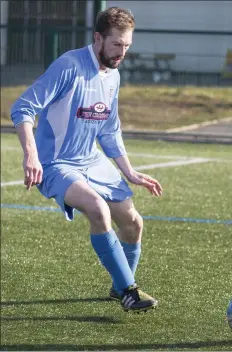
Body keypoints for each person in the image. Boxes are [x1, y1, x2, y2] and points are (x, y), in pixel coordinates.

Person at [10, 7, 163, 313]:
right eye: (117, 45)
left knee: (133, 223)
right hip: (56, 163)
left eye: (127, 46)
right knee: (97, 208)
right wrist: (31, 154)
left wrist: (129, 171)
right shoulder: (69, 66)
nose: (122, 53)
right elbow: (23, 107)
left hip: (92, 161)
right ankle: (129, 291)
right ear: (98, 38)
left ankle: (119, 285)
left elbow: (109, 130)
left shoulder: (114, 76)